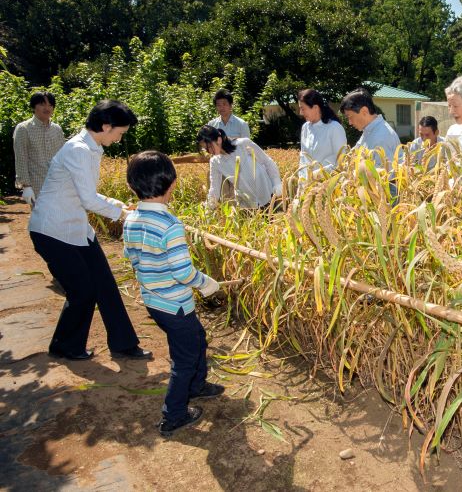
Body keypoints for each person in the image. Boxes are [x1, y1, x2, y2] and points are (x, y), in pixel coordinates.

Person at [28, 100, 151, 361]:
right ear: (106, 126)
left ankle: (123, 343)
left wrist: (119, 205)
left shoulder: (92, 147)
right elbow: (88, 199)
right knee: (83, 291)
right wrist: (122, 213)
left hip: (75, 228)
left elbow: (87, 194)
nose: (119, 139)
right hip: (53, 231)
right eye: (119, 133)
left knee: (104, 284)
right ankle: (65, 345)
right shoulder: (79, 150)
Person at [123, 150, 224, 437]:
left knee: (196, 340)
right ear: (173, 184)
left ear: (132, 187)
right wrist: (206, 283)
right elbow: (183, 272)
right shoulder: (170, 226)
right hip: (176, 305)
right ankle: (174, 414)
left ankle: (198, 385)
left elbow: (131, 256)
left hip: (154, 301)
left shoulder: (131, 220)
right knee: (185, 358)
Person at [196, 125, 282, 209]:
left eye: (210, 146)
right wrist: (210, 205)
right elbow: (214, 187)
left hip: (267, 194)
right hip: (246, 203)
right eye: (206, 149)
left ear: (218, 140)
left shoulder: (242, 144)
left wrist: (277, 182)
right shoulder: (215, 162)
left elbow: (267, 161)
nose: (210, 151)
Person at [13, 91, 66, 204]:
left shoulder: (57, 129)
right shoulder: (23, 129)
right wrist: (26, 186)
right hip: (37, 185)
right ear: (34, 106)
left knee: (60, 219)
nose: (47, 108)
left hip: (59, 184)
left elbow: (63, 157)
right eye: (42, 104)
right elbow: (21, 158)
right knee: (43, 220)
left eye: (50, 105)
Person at [339, 88, 400, 168]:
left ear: (364, 111)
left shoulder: (382, 137)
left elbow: (384, 176)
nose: (350, 122)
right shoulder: (369, 131)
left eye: (350, 117)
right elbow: (353, 156)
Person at [297, 88, 347, 184]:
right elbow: (303, 158)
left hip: (330, 186)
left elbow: (342, 162)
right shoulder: (305, 128)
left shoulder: (334, 128)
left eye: (303, 108)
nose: (300, 113)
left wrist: (317, 174)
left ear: (315, 108)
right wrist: (302, 182)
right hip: (308, 186)